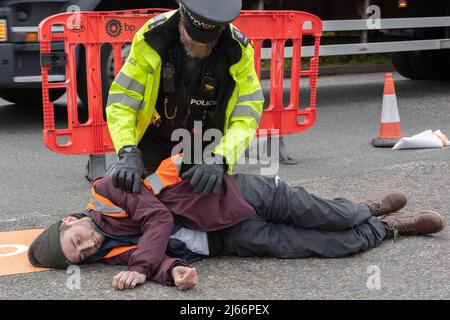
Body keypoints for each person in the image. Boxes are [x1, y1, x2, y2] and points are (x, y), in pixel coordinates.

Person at [28, 155, 445, 291]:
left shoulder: (107, 189)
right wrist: (175, 273)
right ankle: (390, 229)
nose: (87, 247)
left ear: (71, 220)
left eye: (77, 239)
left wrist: (138, 269)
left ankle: (368, 209)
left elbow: (156, 218)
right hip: (228, 238)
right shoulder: (108, 253)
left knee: (335, 216)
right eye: (81, 254)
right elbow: (152, 259)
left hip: (235, 194)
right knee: (335, 245)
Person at [106, 0, 263, 196]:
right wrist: (127, 150)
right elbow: (123, 98)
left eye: (207, 42)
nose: (198, 45)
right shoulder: (153, 37)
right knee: (131, 199)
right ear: (183, 14)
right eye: (192, 36)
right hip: (155, 138)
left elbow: (247, 112)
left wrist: (221, 158)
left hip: (205, 148)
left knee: (202, 212)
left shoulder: (237, 50)